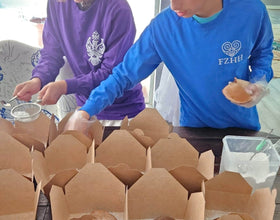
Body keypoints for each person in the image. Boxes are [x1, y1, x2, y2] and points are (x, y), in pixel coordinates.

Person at [65, 0, 274, 131]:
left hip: (243, 127)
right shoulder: (163, 27)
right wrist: (86, 110)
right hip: (195, 130)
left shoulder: (252, 11)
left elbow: (262, 53)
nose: (174, 5)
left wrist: (259, 81)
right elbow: (124, 75)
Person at [13, 0, 145, 123]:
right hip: (85, 108)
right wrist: (38, 80)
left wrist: (66, 86)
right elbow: (51, 53)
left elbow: (113, 75)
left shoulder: (118, 9)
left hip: (123, 112)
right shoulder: (57, 3)